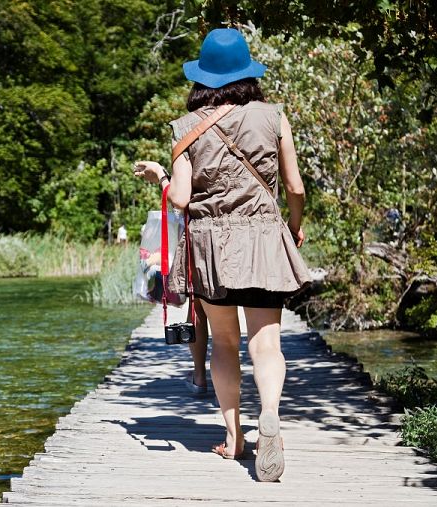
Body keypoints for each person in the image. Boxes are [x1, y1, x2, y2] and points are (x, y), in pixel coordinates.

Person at [133, 28, 311, 482]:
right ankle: (268, 414)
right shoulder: (273, 117)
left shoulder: (184, 129)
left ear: (202, 78)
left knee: (225, 342)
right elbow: (295, 187)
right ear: (248, 73)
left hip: (212, 246)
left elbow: (180, 199)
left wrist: (161, 176)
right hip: (264, 241)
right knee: (266, 343)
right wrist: (293, 226)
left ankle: (234, 438)